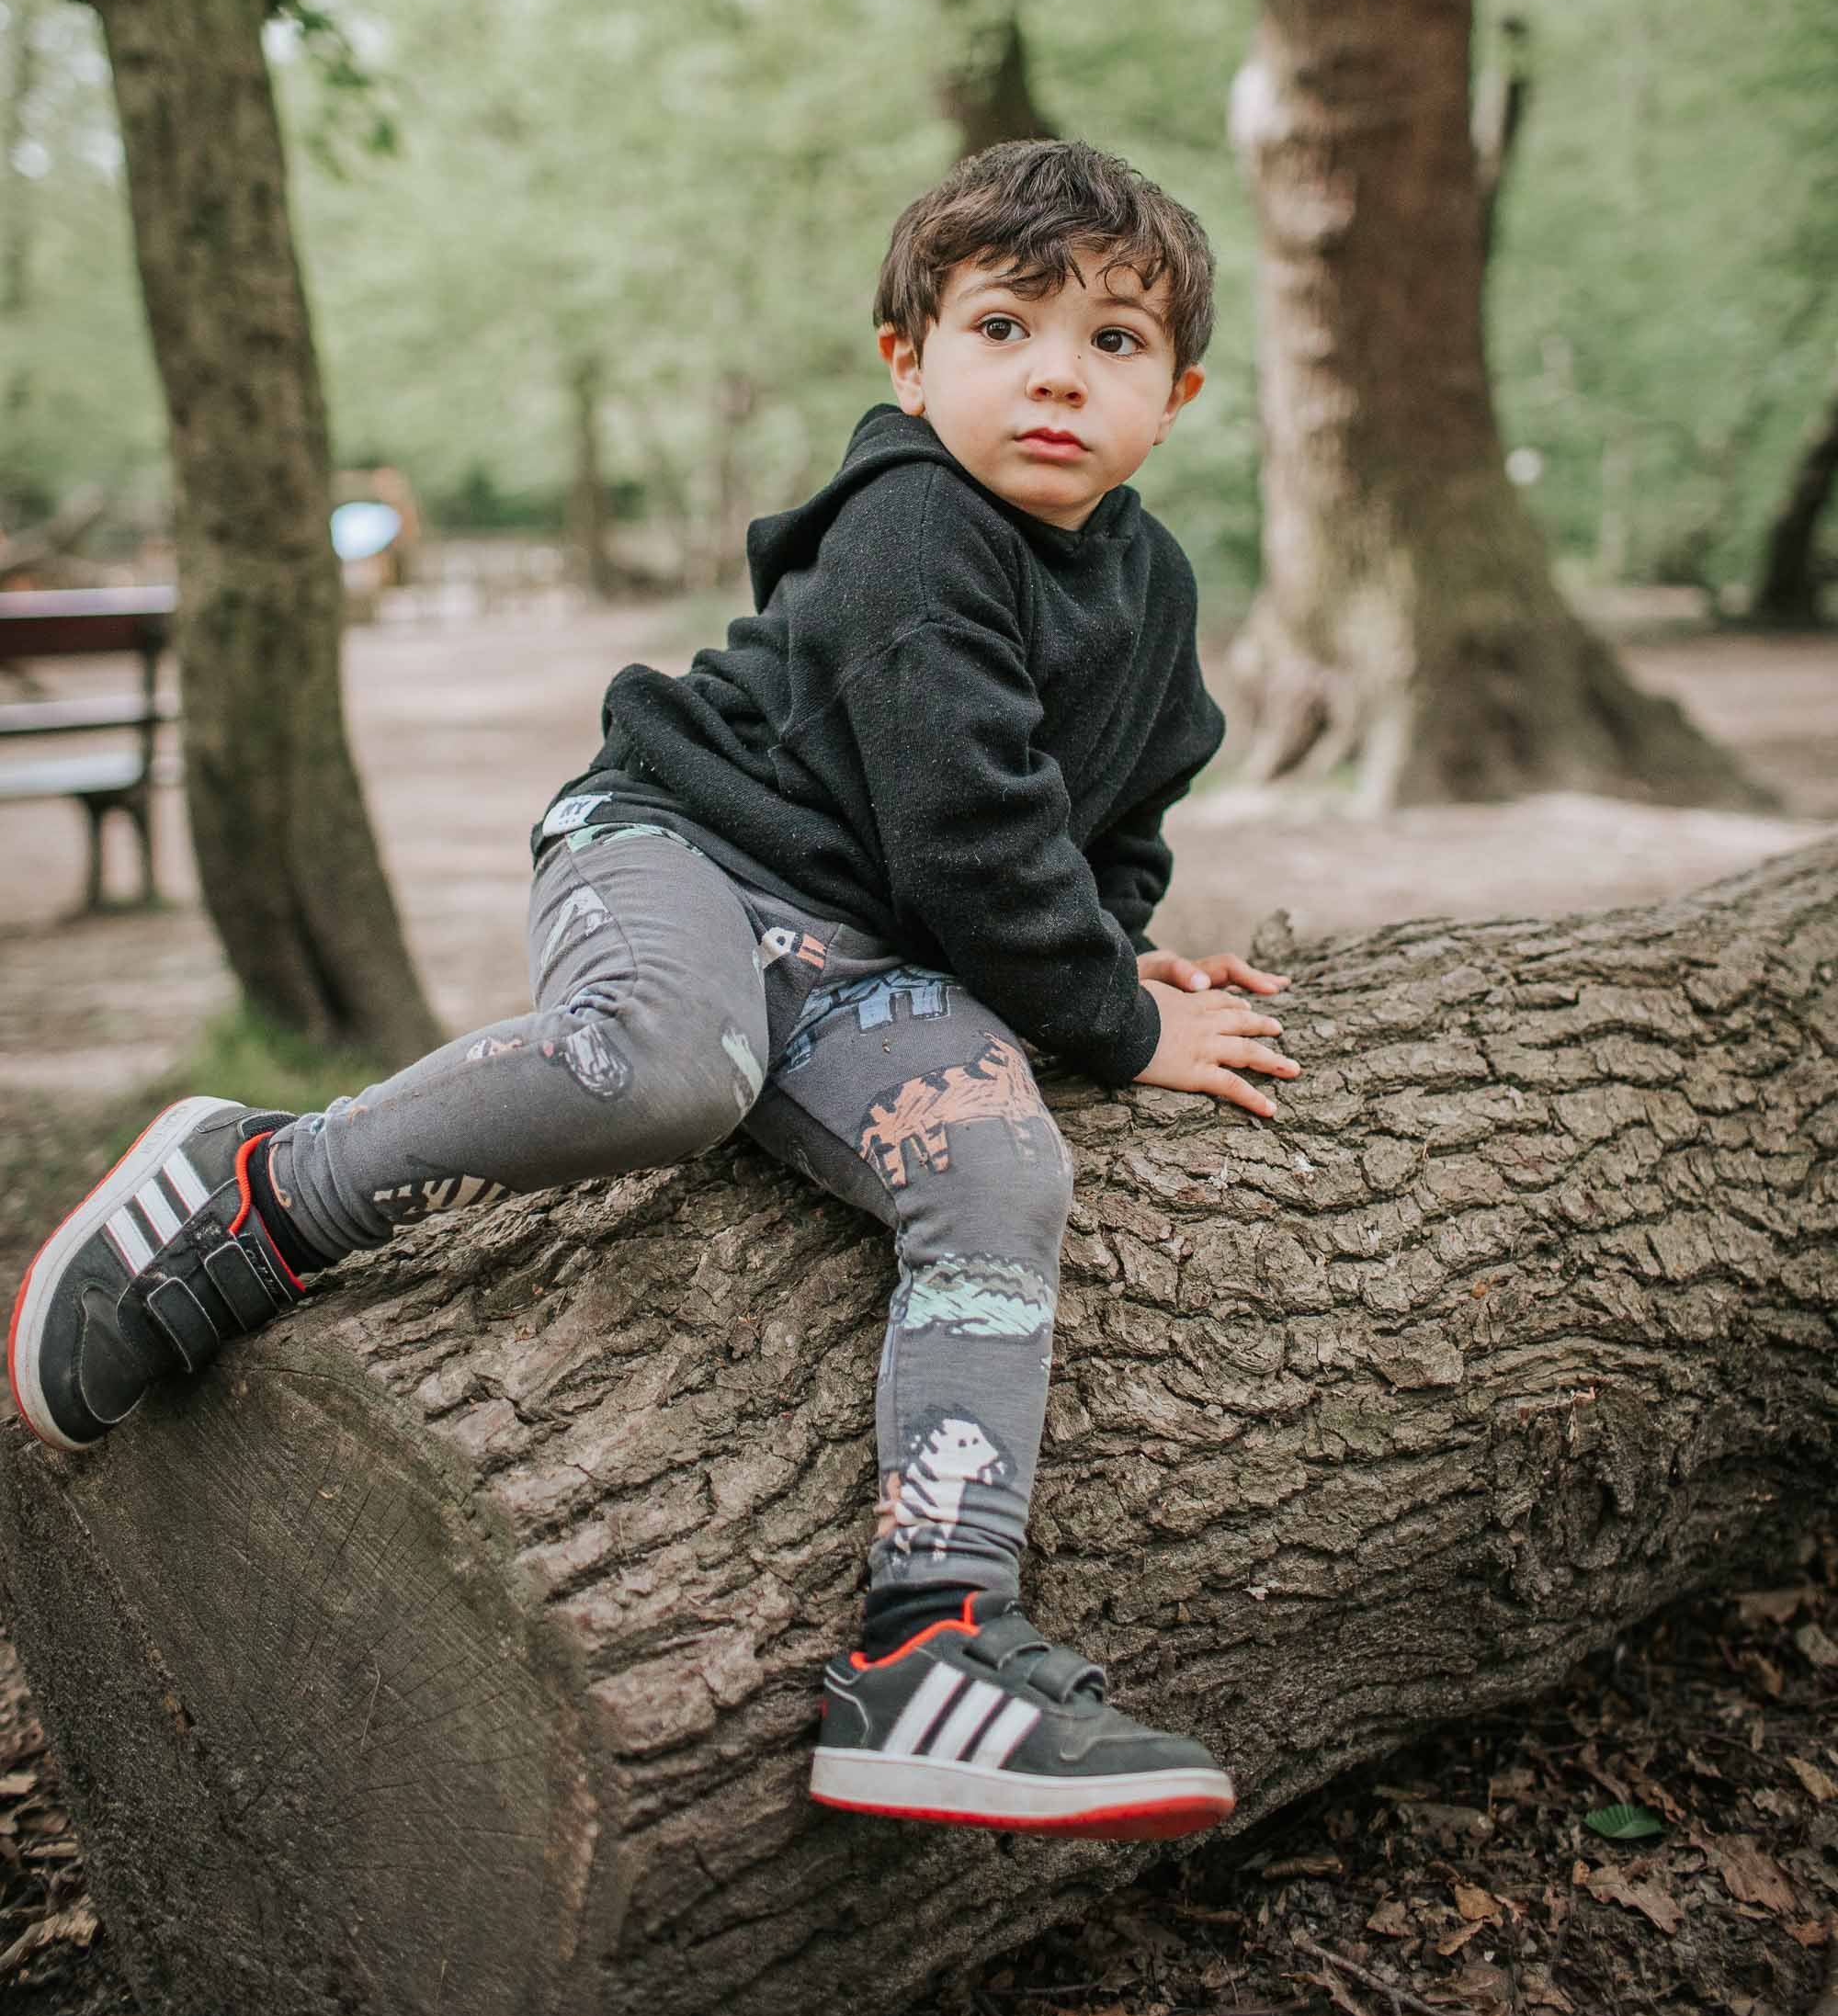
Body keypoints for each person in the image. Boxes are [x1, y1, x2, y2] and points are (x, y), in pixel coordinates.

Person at [8, 139, 1299, 1840]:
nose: (1059, 374)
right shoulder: (915, 526)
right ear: (908, 364)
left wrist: (1121, 945)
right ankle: (255, 1189)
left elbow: (1110, 813)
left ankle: (934, 1648)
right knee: (666, 1068)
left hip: (868, 953)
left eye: (1114, 344)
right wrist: (1119, 1027)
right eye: (1005, 327)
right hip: (686, 848)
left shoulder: (1156, 591)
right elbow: (976, 837)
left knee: (1003, 1170)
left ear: (1179, 394)